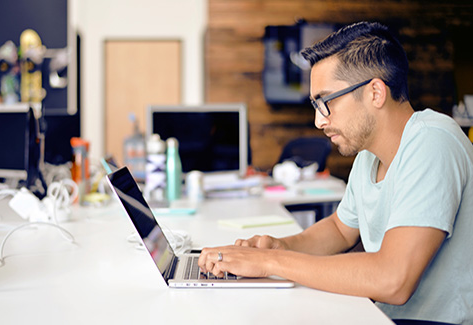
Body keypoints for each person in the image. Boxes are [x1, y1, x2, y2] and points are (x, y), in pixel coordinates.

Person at [198, 21, 473, 325]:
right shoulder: (368, 156)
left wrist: (270, 262)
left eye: (326, 102)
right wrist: (281, 245)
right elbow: (340, 230)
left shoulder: (432, 141)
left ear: (375, 92)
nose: (319, 120)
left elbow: (393, 280)